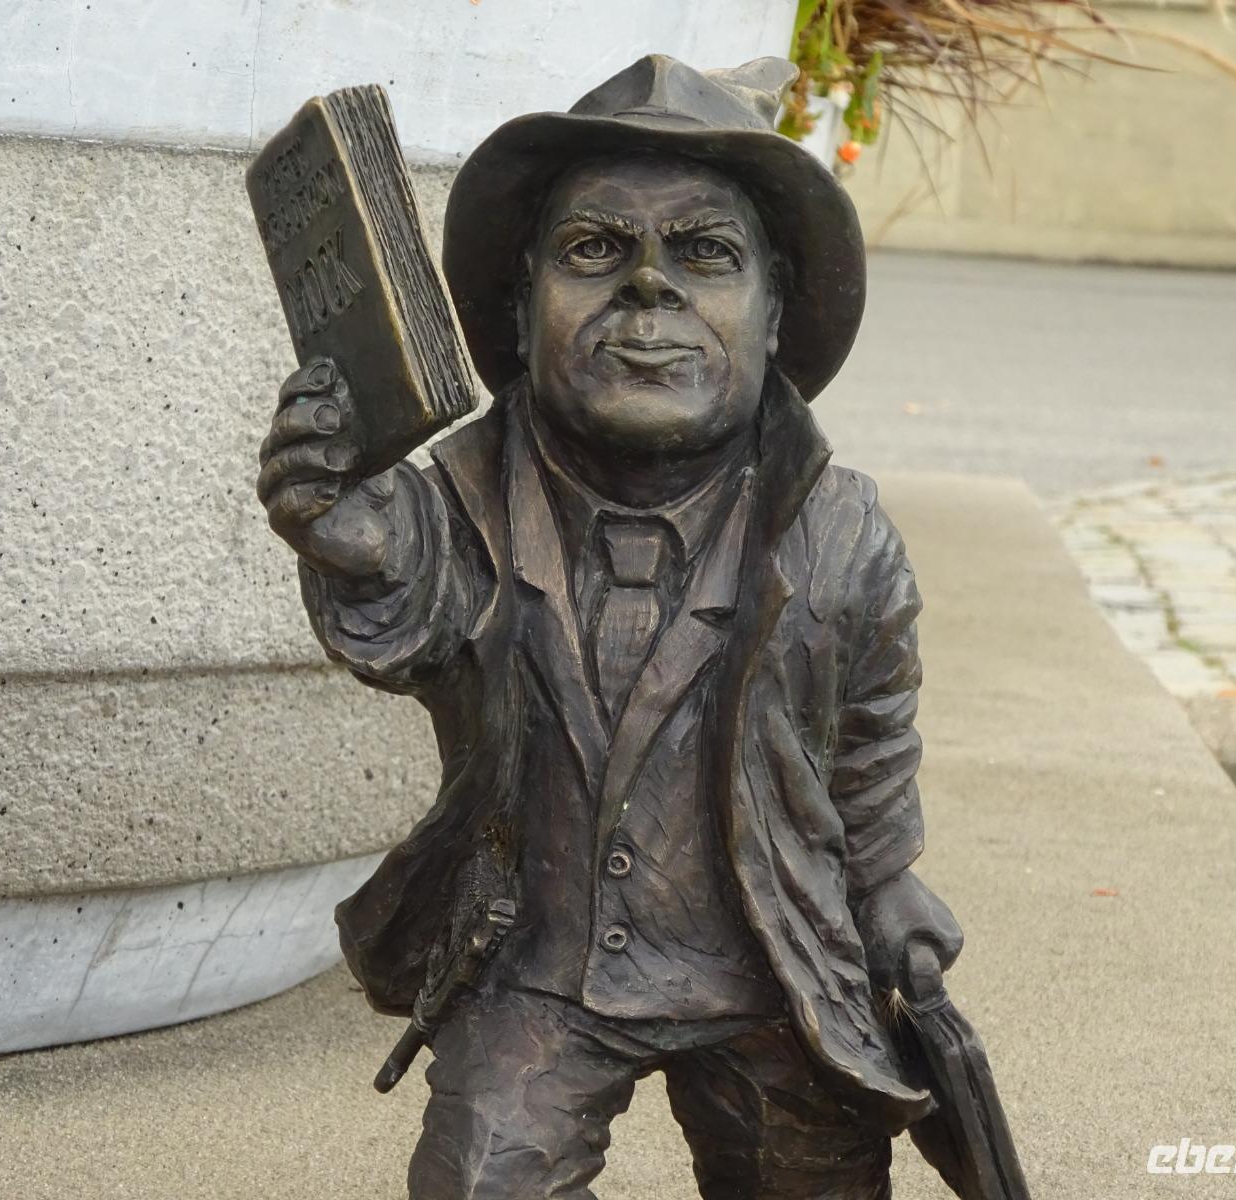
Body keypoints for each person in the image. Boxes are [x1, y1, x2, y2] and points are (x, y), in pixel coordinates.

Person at [258, 55, 970, 1200]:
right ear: (518, 305)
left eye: (705, 254)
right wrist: (346, 538)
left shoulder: (838, 532)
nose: (648, 289)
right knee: (480, 1178)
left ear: (775, 313)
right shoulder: (460, 507)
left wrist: (885, 881)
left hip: (768, 963)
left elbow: (871, 725)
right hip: (536, 962)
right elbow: (403, 611)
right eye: (594, 249)